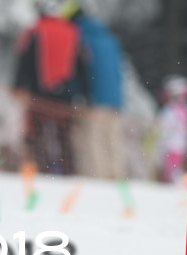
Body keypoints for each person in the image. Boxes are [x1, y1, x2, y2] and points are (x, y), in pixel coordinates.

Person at [13, 0, 85, 175]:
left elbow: (25, 60)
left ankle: (42, 170)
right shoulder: (72, 31)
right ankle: (68, 172)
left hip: (40, 92)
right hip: (65, 94)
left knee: (38, 134)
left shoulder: (36, 30)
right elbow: (81, 64)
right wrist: (81, 93)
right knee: (64, 136)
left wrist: (18, 85)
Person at [64, 2, 125, 179]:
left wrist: (80, 95)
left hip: (94, 100)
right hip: (115, 100)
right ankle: (117, 178)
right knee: (112, 141)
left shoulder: (79, 37)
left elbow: (80, 70)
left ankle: (98, 181)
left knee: (94, 141)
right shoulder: (109, 38)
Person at [156, 75, 187, 183]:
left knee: (171, 170)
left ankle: (176, 186)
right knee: (174, 169)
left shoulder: (169, 111)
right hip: (179, 144)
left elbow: (162, 129)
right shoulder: (186, 109)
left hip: (170, 145)